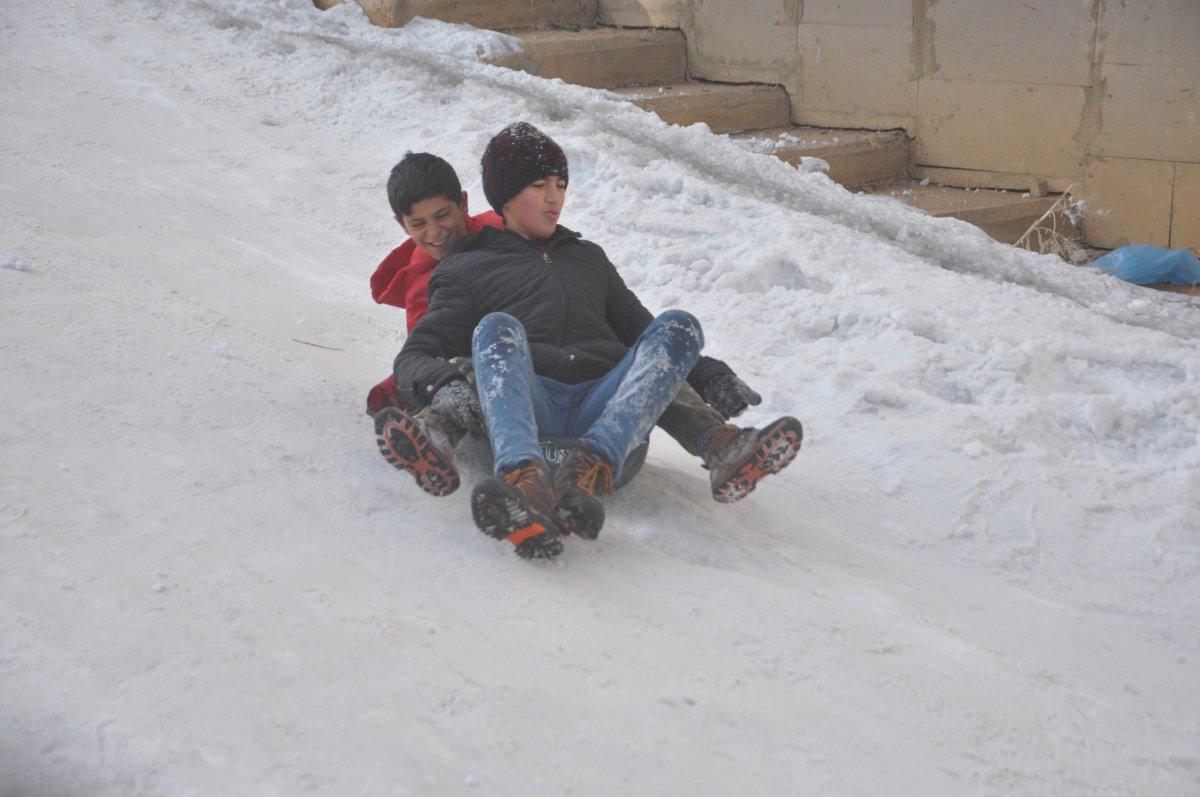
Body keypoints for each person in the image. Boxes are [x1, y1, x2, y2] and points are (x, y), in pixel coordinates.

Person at [386, 124, 803, 558]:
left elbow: (645, 335)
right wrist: (442, 384)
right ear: (505, 197)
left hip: (603, 416)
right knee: (496, 328)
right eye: (539, 186)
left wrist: (711, 374)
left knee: (679, 325)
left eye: (560, 185)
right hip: (530, 408)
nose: (554, 198)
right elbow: (416, 354)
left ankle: (622, 463)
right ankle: (523, 483)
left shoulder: (588, 258)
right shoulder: (466, 267)